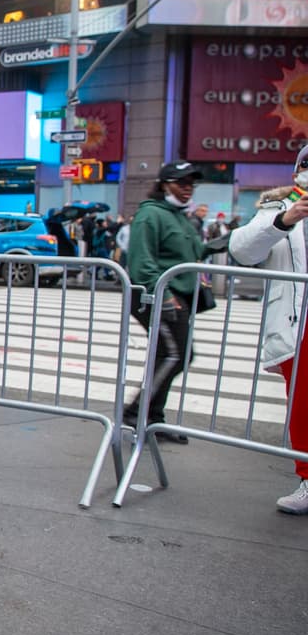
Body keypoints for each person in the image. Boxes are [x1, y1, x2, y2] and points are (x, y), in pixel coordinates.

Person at [228, 145, 308, 514]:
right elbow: (242, 250)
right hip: (298, 324)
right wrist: (285, 220)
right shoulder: (279, 207)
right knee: (303, 406)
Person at [124, 161, 207, 444]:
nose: (187, 189)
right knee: (176, 355)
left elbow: (191, 251)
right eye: (181, 183)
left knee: (170, 355)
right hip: (157, 295)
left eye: (191, 184)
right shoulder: (151, 214)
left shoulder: (179, 215)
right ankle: (137, 412)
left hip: (174, 294)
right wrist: (165, 295)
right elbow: (142, 260)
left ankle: (152, 419)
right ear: (163, 184)